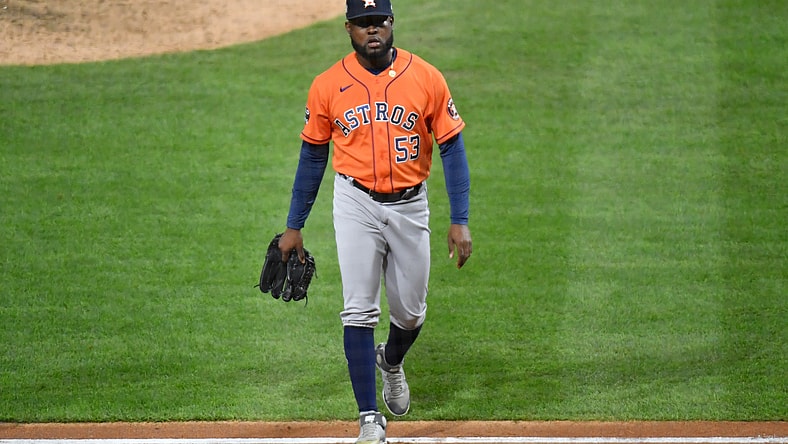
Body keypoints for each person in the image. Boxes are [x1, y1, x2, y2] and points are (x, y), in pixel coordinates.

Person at [277, 0, 472, 442]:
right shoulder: (327, 84)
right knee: (359, 308)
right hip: (355, 202)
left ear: (391, 23)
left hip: (410, 205)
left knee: (411, 313)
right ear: (348, 28)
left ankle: (391, 361)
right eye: (363, 23)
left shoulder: (426, 77)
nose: (372, 30)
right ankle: (369, 417)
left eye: (379, 21)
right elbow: (313, 156)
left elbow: (452, 147)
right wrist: (294, 224)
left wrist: (460, 219)